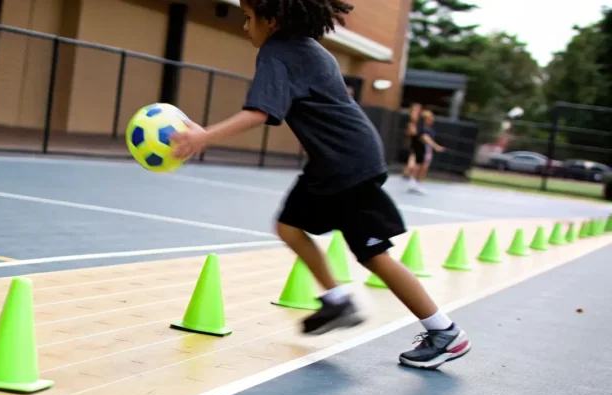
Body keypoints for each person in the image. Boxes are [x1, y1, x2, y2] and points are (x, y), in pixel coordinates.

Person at [169, 0, 471, 369]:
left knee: (373, 255)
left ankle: (445, 332)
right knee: (289, 226)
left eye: (248, 18)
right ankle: (337, 299)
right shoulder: (311, 49)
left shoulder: (277, 52)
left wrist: (203, 137)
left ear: (273, 19)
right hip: (334, 163)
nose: (244, 27)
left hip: (348, 164)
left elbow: (261, 112)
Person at [407, 109, 445, 193]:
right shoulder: (422, 129)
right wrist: (436, 146)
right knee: (417, 166)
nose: (432, 119)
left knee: (423, 168)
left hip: (426, 151)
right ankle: (413, 182)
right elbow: (425, 138)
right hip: (420, 150)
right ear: (426, 119)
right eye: (430, 117)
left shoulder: (430, 129)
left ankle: (417, 184)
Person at [402, 102, 423, 182]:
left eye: (418, 110)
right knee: (411, 163)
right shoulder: (410, 121)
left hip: (417, 145)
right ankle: (408, 176)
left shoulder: (420, 121)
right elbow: (410, 133)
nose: (416, 111)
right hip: (412, 144)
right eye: (414, 109)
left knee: (414, 164)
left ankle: (411, 177)